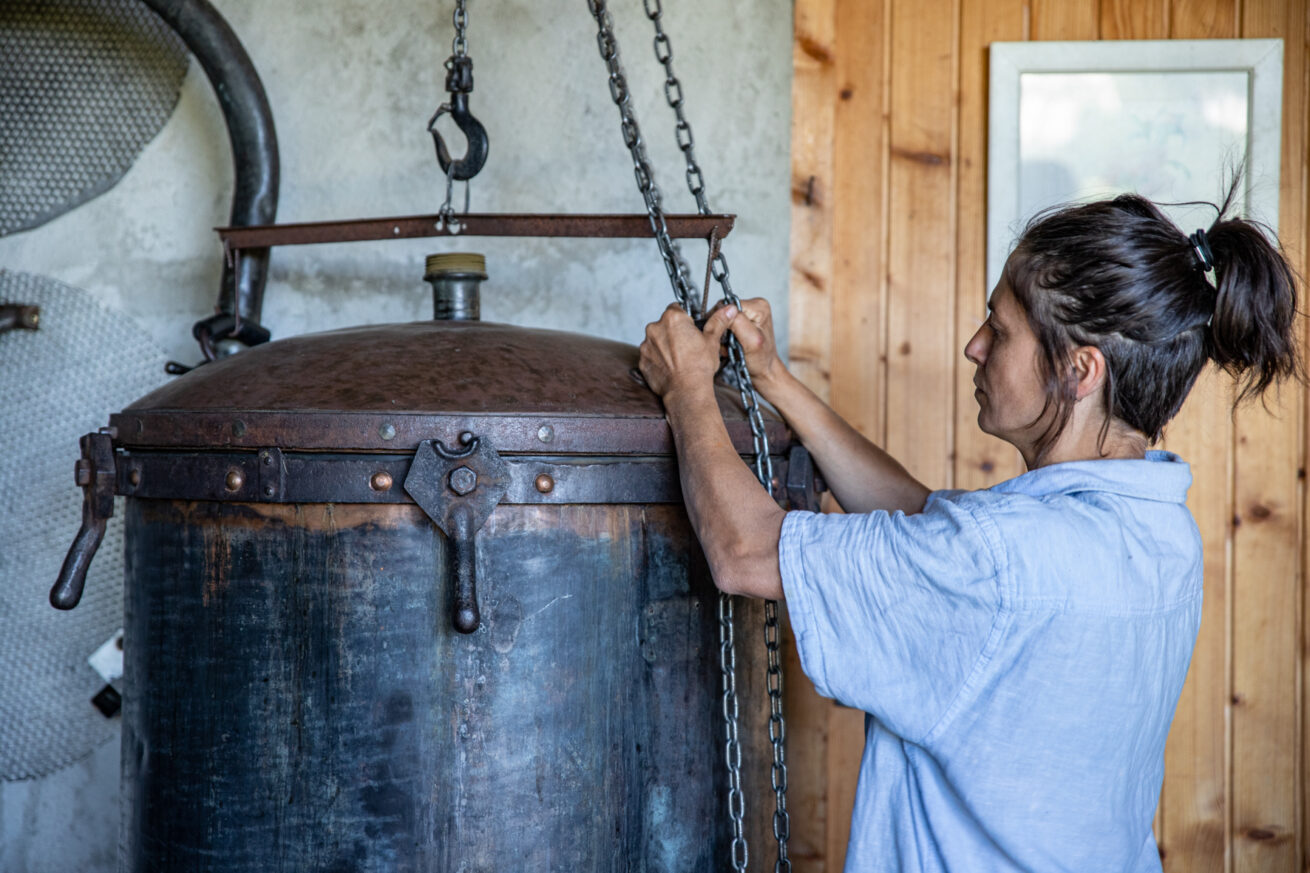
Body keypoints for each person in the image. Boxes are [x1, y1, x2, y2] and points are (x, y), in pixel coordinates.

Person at [637, 190, 1300, 872]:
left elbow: (744, 551)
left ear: (1079, 371)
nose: (974, 345)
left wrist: (686, 387)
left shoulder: (996, 559)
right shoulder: (1160, 528)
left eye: (1000, 327)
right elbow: (927, 526)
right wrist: (776, 379)